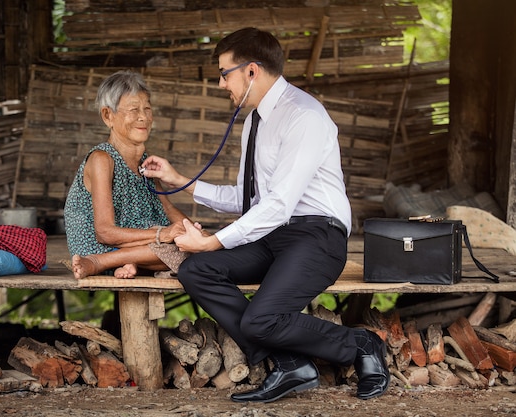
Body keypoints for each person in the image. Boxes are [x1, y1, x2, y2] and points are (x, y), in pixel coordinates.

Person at [142, 28, 390, 402]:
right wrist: (180, 180)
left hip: (317, 237)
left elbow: (280, 204)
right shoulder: (253, 122)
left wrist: (212, 241)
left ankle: (362, 343)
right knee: (196, 270)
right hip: (273, 235)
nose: (222, 84)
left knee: (260, 318)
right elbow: (251, 200)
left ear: (251, 71)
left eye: (225, 73)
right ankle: (292, 365)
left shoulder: (304, 116)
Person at [64, 70, 189, 280]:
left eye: (147, 109)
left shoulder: (145, 162)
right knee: (181, 252)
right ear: (108, 116)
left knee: (193, 247)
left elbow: (168, 208)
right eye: (133, 110)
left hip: (140, 243)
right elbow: (104, 232)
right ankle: (99, 263)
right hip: (99, 246)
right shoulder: (102, 159)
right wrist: (163, 234)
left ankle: (131, 263)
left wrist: (196, 233)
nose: (143, 117)